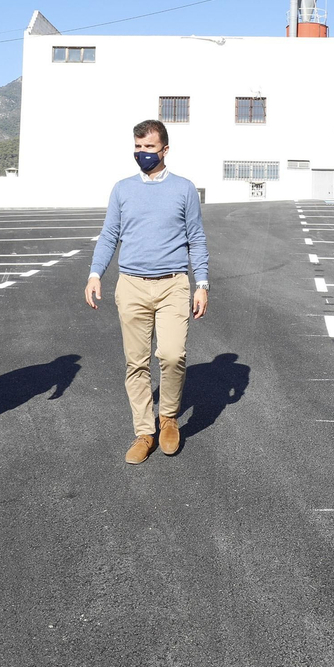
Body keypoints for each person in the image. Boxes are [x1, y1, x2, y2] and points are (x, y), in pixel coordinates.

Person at [84, 119, 210, 464]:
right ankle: (144, 432)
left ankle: (168, 417)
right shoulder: (122, 189)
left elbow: (197, 239)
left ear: (165, 149)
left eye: (149, 147)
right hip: (131, 285)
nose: (142, 153)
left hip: (173, 284)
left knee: (172, 355)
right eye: (138, 147)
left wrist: (202, 284)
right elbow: (109, 235)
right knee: (136, 363)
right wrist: (95, 274)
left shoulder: (184, 189)